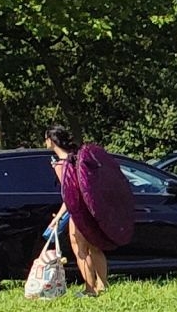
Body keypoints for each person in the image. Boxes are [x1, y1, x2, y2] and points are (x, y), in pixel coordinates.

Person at [45, 126, 135, 295]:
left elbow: (68, 195)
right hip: (92, 211)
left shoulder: (60, 165)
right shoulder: (79, 159)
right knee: (95, 247)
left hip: (78, 212)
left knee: (80, 250)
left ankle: (89, 288)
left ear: (51, 140)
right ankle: (102, 284)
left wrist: (57, 218)